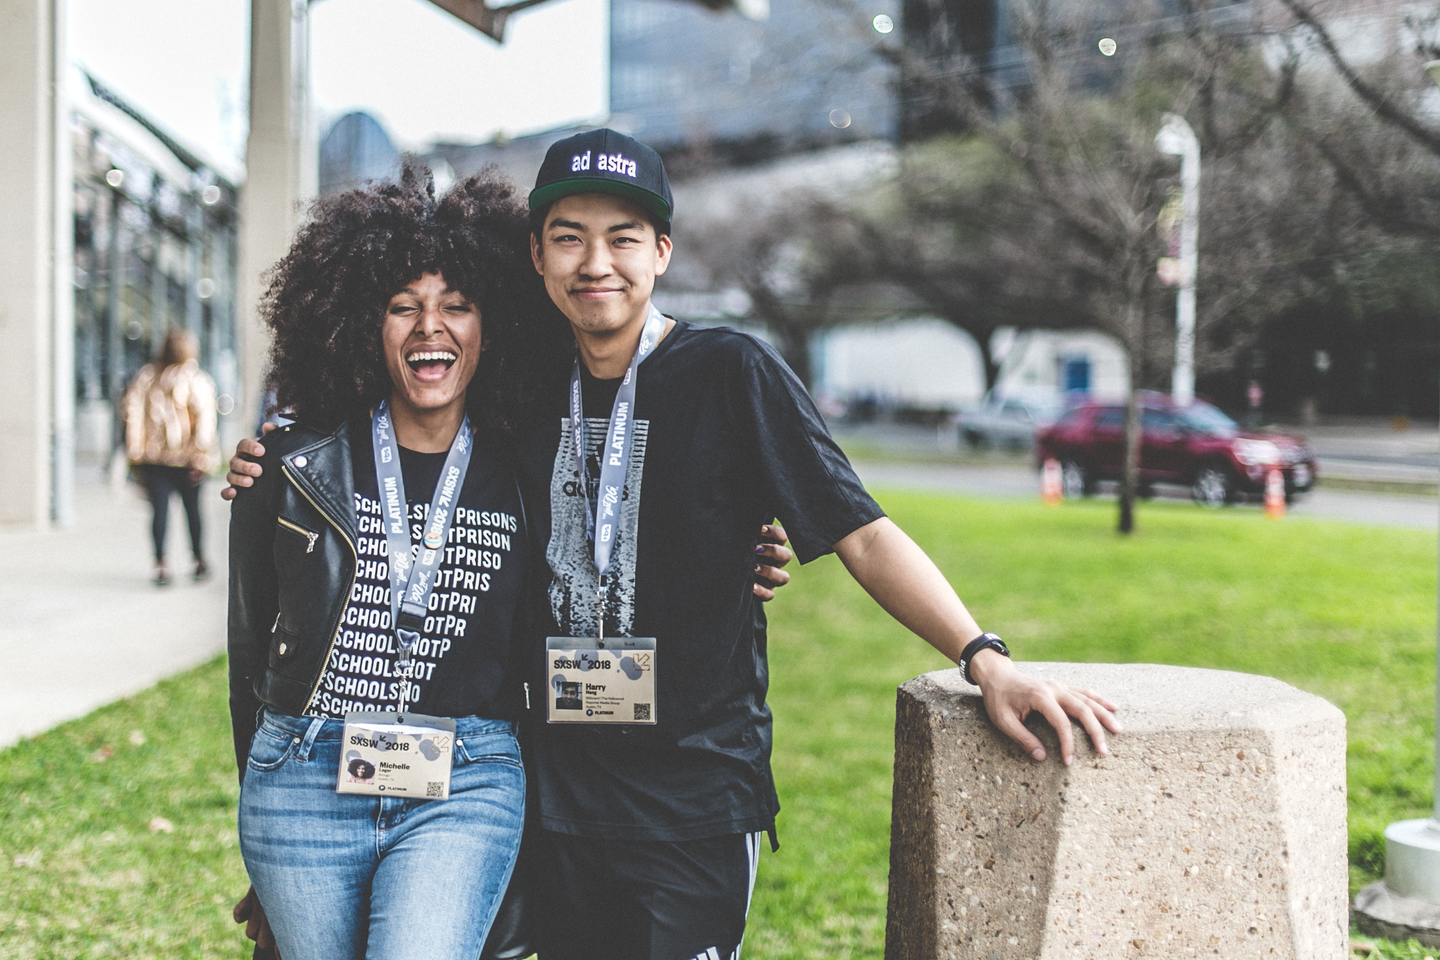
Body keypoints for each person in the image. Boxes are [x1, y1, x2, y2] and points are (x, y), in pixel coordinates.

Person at [228, 130, 1117, 960]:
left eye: (623, 237)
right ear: (534, 258)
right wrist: (267, 461)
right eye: (568, 238)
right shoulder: (523, 395)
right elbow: (394, 428)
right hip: (559, 803)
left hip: (692, 804)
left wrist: (983, 656)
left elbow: (863, 535)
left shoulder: (732, 373)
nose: (595, 262)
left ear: (662, 251)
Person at [226, 166, 551, 960]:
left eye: (457, 305)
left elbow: (619, 556)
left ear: (494, 323)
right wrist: (261, 824)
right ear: (361, 323)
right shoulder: (289, 467)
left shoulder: (529, 471)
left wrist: (736, 556)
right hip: (302, 777)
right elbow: (248, 649)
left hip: (465, 781)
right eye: (402, 305)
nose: (428, 327)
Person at [123, 328, 219, 585]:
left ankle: (160, 564)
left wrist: (135, 457)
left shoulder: (146, 377)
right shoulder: (196, 379)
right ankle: (198, 560)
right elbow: (205, 422)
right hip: (188, 462)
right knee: (194, 512)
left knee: (159, 512)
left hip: (153, 461)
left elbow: (132, 417)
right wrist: (201, 457)